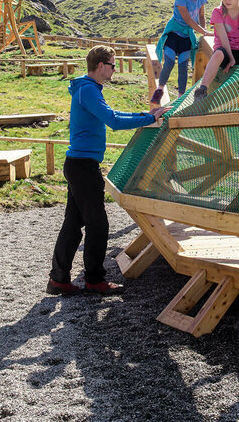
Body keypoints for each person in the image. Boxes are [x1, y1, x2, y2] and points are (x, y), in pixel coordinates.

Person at [48, 46, 169, 296]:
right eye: (113, 65)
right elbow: (113, 120)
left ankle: (59, 279)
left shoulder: (87, 89)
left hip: (78, 163)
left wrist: (144, 116)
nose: (114, 70)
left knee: (73, 223)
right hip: (83, 167)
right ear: (101, 66)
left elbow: (113, 115)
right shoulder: (89, 90)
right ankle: (94, 280)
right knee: (98, 224)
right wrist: (148, 119)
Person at [151, 0, 213, 104]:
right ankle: (160, 89)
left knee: (183, 67)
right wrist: (203, 32)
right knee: (169, 62)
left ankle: (180, 97)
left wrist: (204, 30)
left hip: (186, 36)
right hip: (174, 34)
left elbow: (201, 15)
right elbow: (188, 20)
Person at [194, 0, 239, 100]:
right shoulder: (218, 12)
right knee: (218, 54)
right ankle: (202, 89)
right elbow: (223, 38)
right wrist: (231, 58)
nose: (227, 0)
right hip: (225, 51)